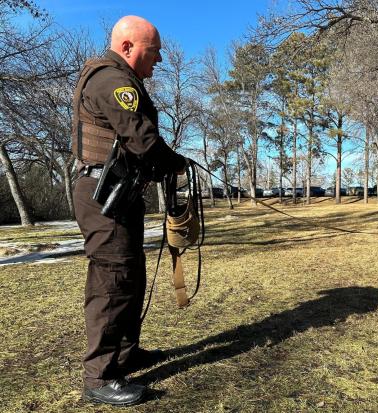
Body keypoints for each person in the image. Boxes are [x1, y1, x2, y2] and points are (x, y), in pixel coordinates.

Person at [71, 15, 186, 406]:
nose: (158, 61)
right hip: (103, 195)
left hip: (120, 191)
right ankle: (100, 376)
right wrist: (176, 163)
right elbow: (142, 140)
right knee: (112, 282)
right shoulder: (112, 80)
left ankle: (125, 354)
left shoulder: (121, 78)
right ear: (126, 48)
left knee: (130, 273)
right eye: (152, 53)